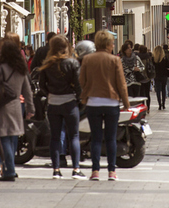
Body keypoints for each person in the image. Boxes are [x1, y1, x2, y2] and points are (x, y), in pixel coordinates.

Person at [79, 30, 130, 181]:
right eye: (113, 43)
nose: (114, 45)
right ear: (108, 44)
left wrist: (86, 94)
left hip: (93, 102)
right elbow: (121, 84)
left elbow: (82, 81)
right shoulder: (115, 60)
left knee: (95, 138)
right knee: (110, 138)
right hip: (111, 102)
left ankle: (95, 171)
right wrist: (126, 103)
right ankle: (111, 172)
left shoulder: (87, 59)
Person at [0, 39, 34, 182]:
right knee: (13, 138)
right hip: (16, 106)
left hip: (1, 106)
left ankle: (9, 170)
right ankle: (8, 167)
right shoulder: (21, 69)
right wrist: (30, 108)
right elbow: (27, 91)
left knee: (3, 139)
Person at [38, 34, 83, 180]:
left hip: (53, 104)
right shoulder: (73, 63)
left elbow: (41, 86)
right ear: (66, 47)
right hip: (70, 103)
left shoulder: (47, 64)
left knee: (55, 138)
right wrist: (78, 98)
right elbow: (78, 85)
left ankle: (56, 170)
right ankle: (76, 169)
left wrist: (50, 94)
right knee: (74, 136)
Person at [152, 46, 169, 110]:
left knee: (158, 90)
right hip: (164, 75)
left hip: (156, 76)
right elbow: (168, 67)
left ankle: (159, 104)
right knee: (163, 89)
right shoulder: (165, 59)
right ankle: (163, 103)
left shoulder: (153, 59)